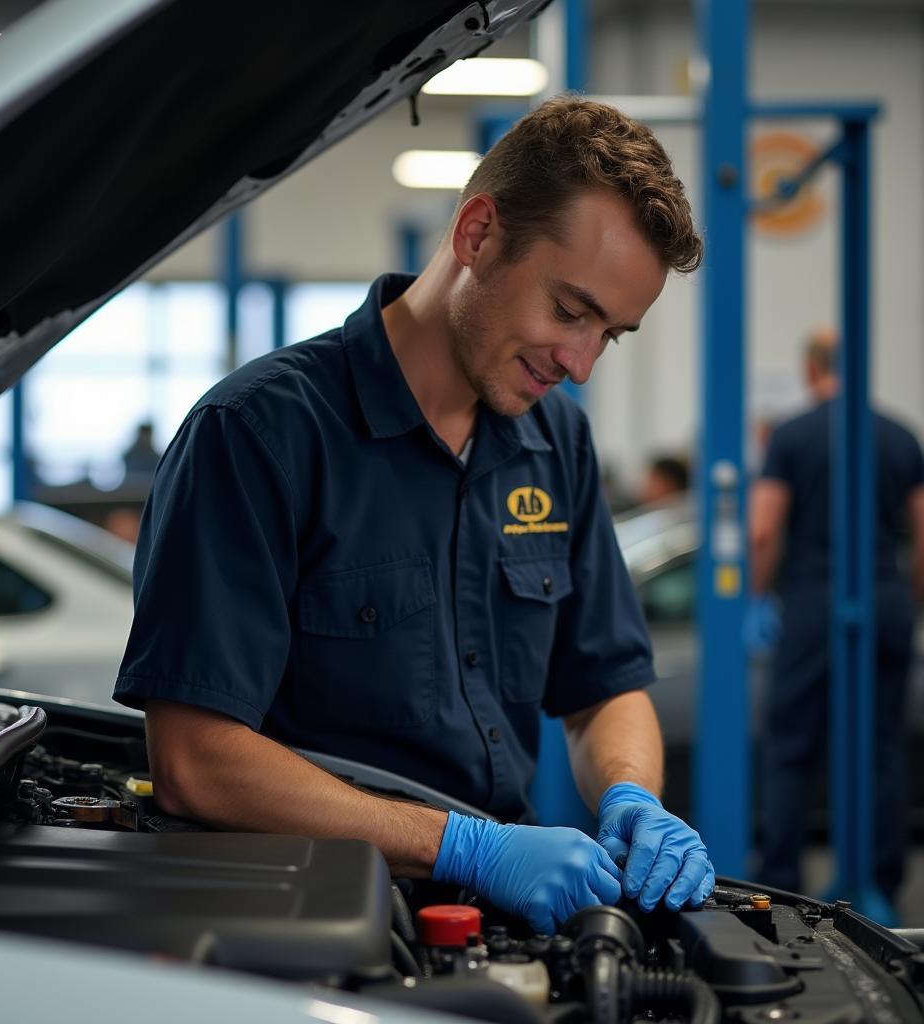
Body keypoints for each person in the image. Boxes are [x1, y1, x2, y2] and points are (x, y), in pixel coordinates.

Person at [114, 97, 715, 934]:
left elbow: (603, 687)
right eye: (571, 311)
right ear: (477, 235)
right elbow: (195, 762)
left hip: (480, 928)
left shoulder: (556, 441)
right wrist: (466, 847)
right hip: (298, 928)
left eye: (609, 335)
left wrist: (629, 796)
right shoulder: (260, 434)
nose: (580, 364)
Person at [749, 327, 924, 908]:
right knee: (882, 746)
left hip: (812, 601)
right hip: (886, 596)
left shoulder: (792, 436)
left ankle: (780, 879)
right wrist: (909, 598)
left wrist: (756, 596)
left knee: (792, 743)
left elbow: (763, 527)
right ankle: (882, 883)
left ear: (811, 369)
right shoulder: (901, 436)